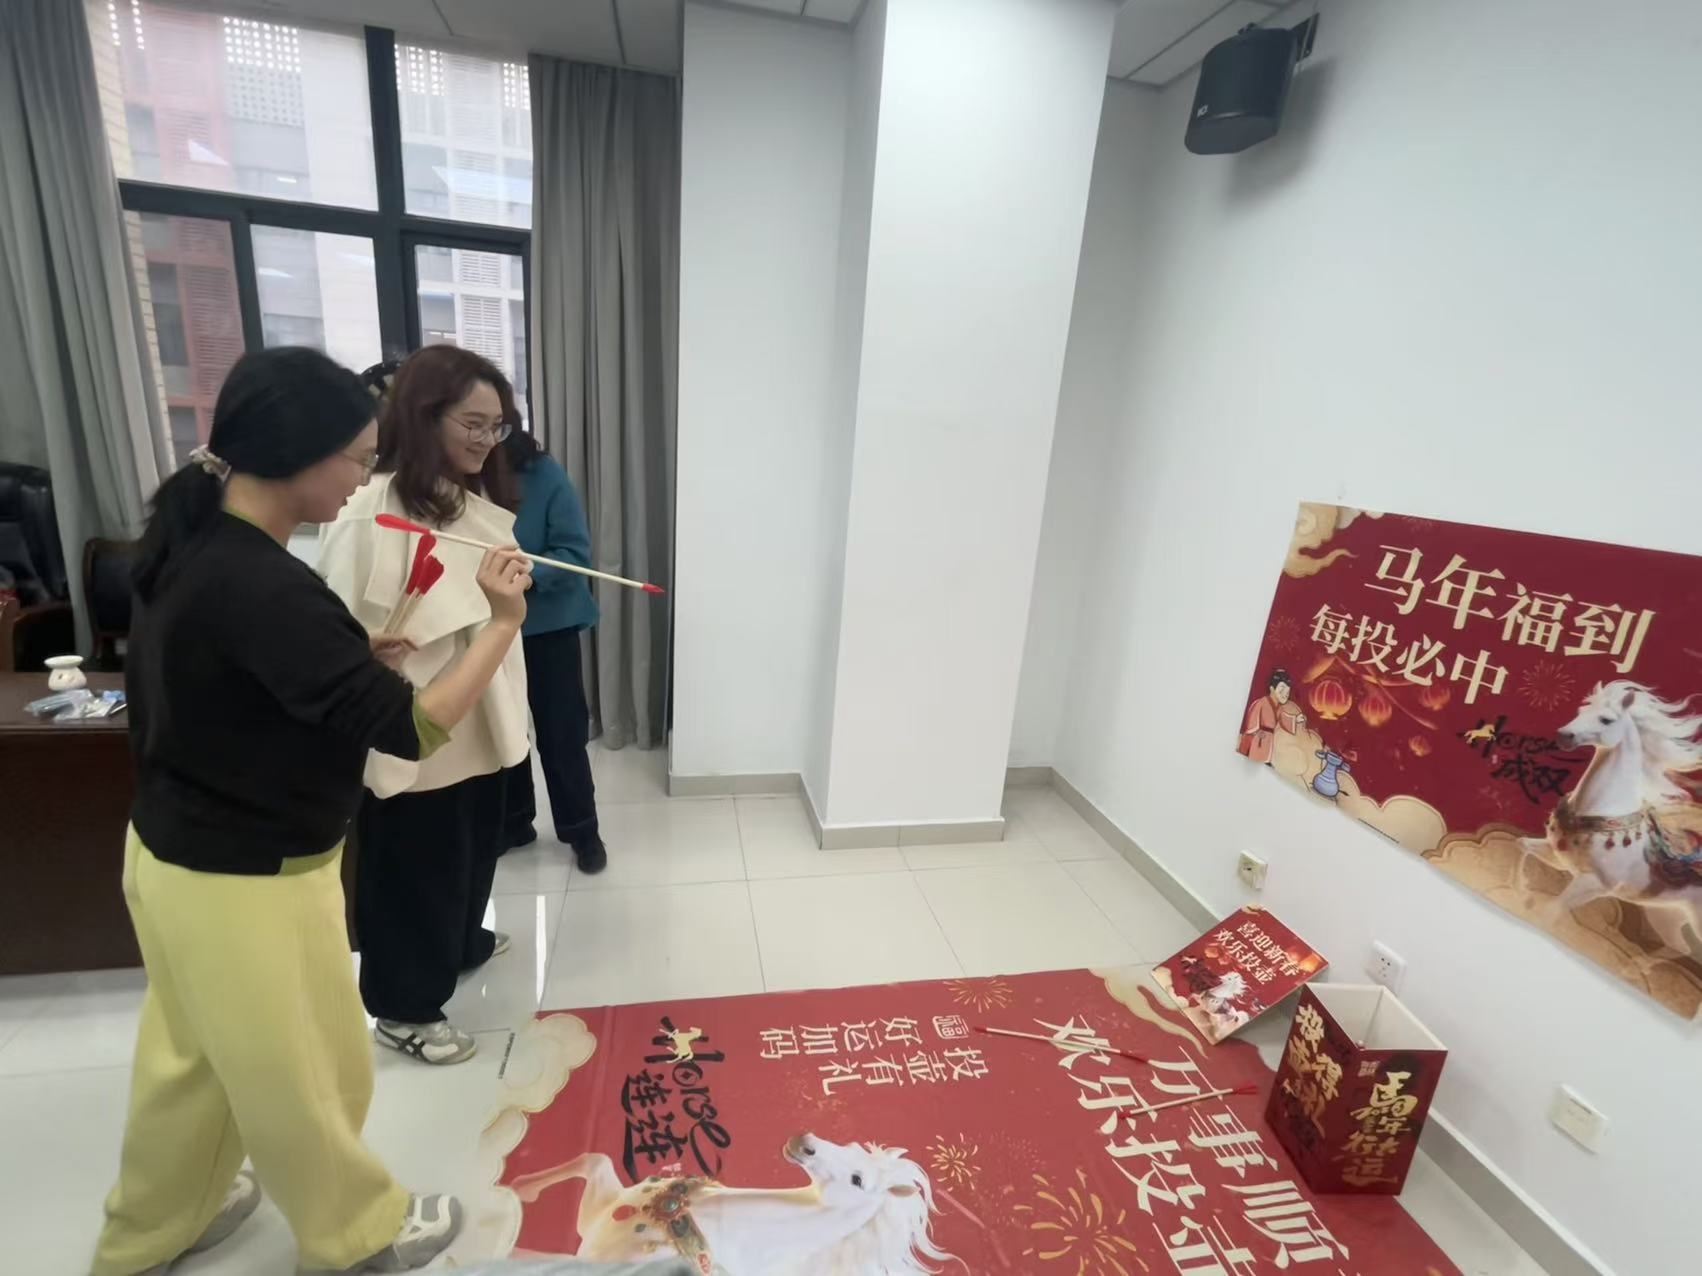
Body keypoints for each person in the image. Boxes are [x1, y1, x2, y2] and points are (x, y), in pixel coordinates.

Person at [94, 346, 532, 1275]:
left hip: (173, 859)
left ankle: (159, 1221)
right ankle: (355, 1234)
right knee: (307, 1072)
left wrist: (347, 660)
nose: (362, 480)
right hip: (246, 882)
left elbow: (238, 683)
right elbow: (413, 729)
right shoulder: (263, 584)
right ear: (295, 454)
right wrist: (499, 625)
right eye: (356, 459)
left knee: (192, 1063)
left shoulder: (198, 546)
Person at [321, 344, 533, 1067]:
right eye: (472, 423)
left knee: (473, 844)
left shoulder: (469, 506)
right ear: (423, 415)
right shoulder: (370, 511)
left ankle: (461, 941)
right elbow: (338, 627)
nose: (486, 440)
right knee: (415, 865)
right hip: (413, 719)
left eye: (496, 426)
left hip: (480, 712)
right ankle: (403, 1005)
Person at [499, 427, 607, 873]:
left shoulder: (542, 473)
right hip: (486, 630)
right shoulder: (454, 478)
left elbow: (574, 553)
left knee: (562, 736)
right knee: (502, 731)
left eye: (491, 425)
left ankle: (582, 830)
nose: (480, 438)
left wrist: (526, 575)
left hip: (547, 627)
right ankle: (514, 822)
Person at [1237, 667, 1306, 764]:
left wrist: (1295, 719)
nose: (1284, 695)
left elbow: (1283, 718)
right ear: (1272, 688)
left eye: (1287, 693)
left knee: (1265, 759)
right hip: (1258, 739)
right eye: (1281, 691)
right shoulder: (1262, 703)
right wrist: (1255, 732)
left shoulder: (1279, 708)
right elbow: (1252, 722)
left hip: (1269, 740)